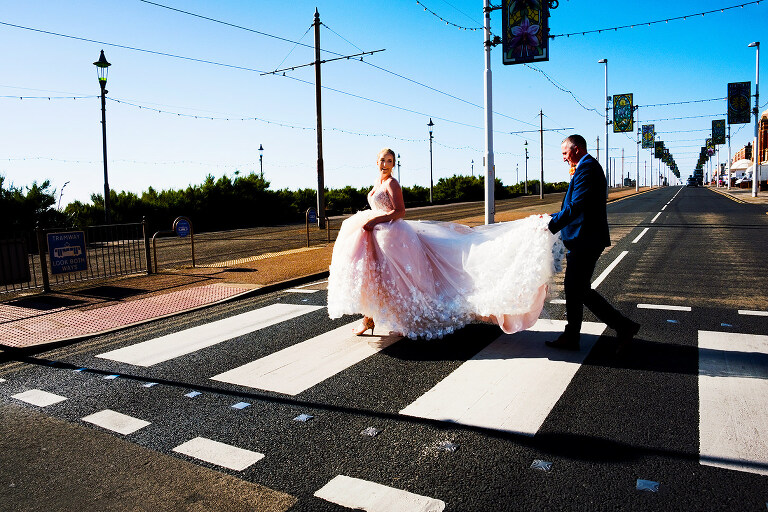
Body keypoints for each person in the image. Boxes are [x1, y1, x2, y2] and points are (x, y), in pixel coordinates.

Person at [327, 147, 565, 340]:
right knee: (378, 280)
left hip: (392, 236)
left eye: (389, 160)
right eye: (382, 160)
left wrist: (376, 219)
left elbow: (400, 212)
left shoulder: (391, 184)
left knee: (397, 282)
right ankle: (370, 317)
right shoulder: (378, 183)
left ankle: (381, 318)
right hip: (378, 235)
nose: (385, 164)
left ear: (394, 164)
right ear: (376, 162)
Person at [545, 134, 640, 352]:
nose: (563, 158)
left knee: (577, 288)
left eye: (565, 153)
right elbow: (573, 206)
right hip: (585, 238)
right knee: (576, 289)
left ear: (576, 149)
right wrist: (550, 217)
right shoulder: (586, 166)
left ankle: (623, 326)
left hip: (586, 239)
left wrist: (551, 224)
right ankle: (575, 335)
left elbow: (576, 206)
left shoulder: (587, 168)